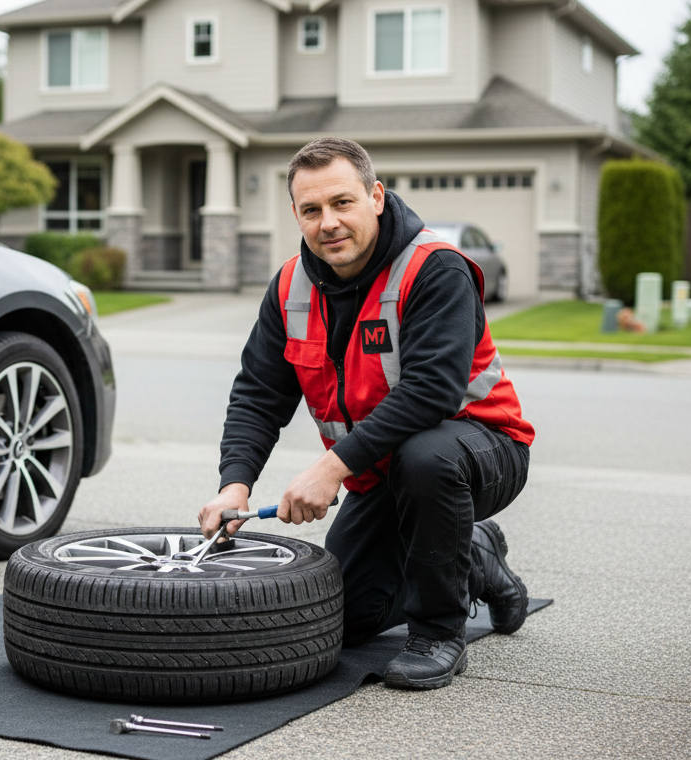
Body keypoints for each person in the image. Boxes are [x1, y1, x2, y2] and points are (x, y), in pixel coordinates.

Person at [197, 137, 535, 690]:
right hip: (381, 469)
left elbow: (430, 392)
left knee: (427, 456)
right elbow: (258, 393)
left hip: (482, 451)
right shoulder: (290, 286)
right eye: (312, 209)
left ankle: (438, 634)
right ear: (296, 214)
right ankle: (473, 555)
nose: (328, 222)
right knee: (346, 616)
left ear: (375, 197)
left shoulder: (434, 268)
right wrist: (234, 485)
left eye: (342, 202)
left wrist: (331, 469)